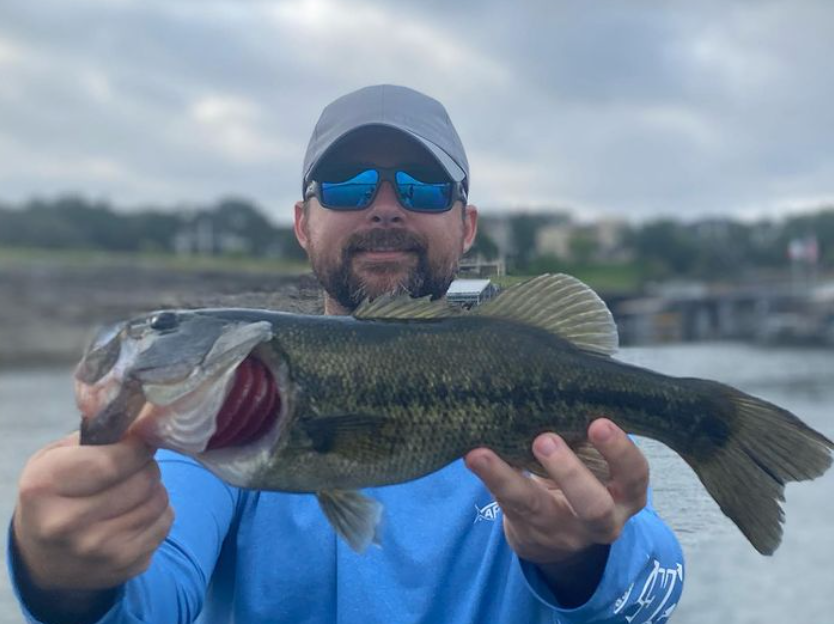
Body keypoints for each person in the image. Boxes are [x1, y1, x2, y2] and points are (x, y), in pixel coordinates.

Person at [9, 84, 684, 624]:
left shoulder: (529, 383)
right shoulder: (221, 429)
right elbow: (151, 598)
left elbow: (653, 585)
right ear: (304, 223)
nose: (385, 209)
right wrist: (64, 579)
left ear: (466, 225)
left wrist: (583, 561)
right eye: (346, 185)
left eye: (421, 186)